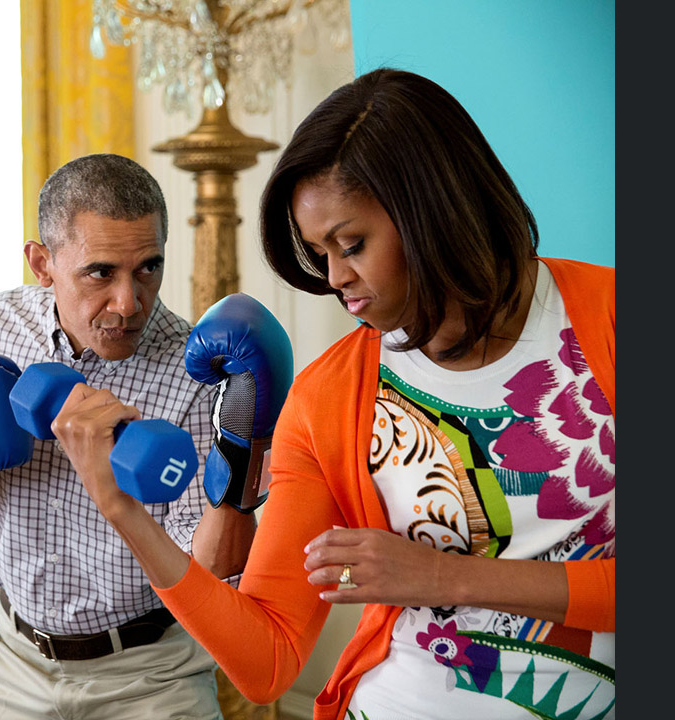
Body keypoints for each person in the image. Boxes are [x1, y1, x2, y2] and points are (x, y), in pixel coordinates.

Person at [55, 69, 615, 719]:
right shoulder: (330, 396)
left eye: (351, 245)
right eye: (321, 253)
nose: (335, 278)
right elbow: (267, 657)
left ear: (433, 210)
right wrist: (124, 513)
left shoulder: (608, 320)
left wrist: (440, 576)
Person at [0, 153, 277, 719]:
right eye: (100, 272)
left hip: (152, 677)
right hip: (12, 667)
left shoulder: (197, 373)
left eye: (147, 268)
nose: (128, 303)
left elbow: (213, 575)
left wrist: (246, 444)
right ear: (42, 263)